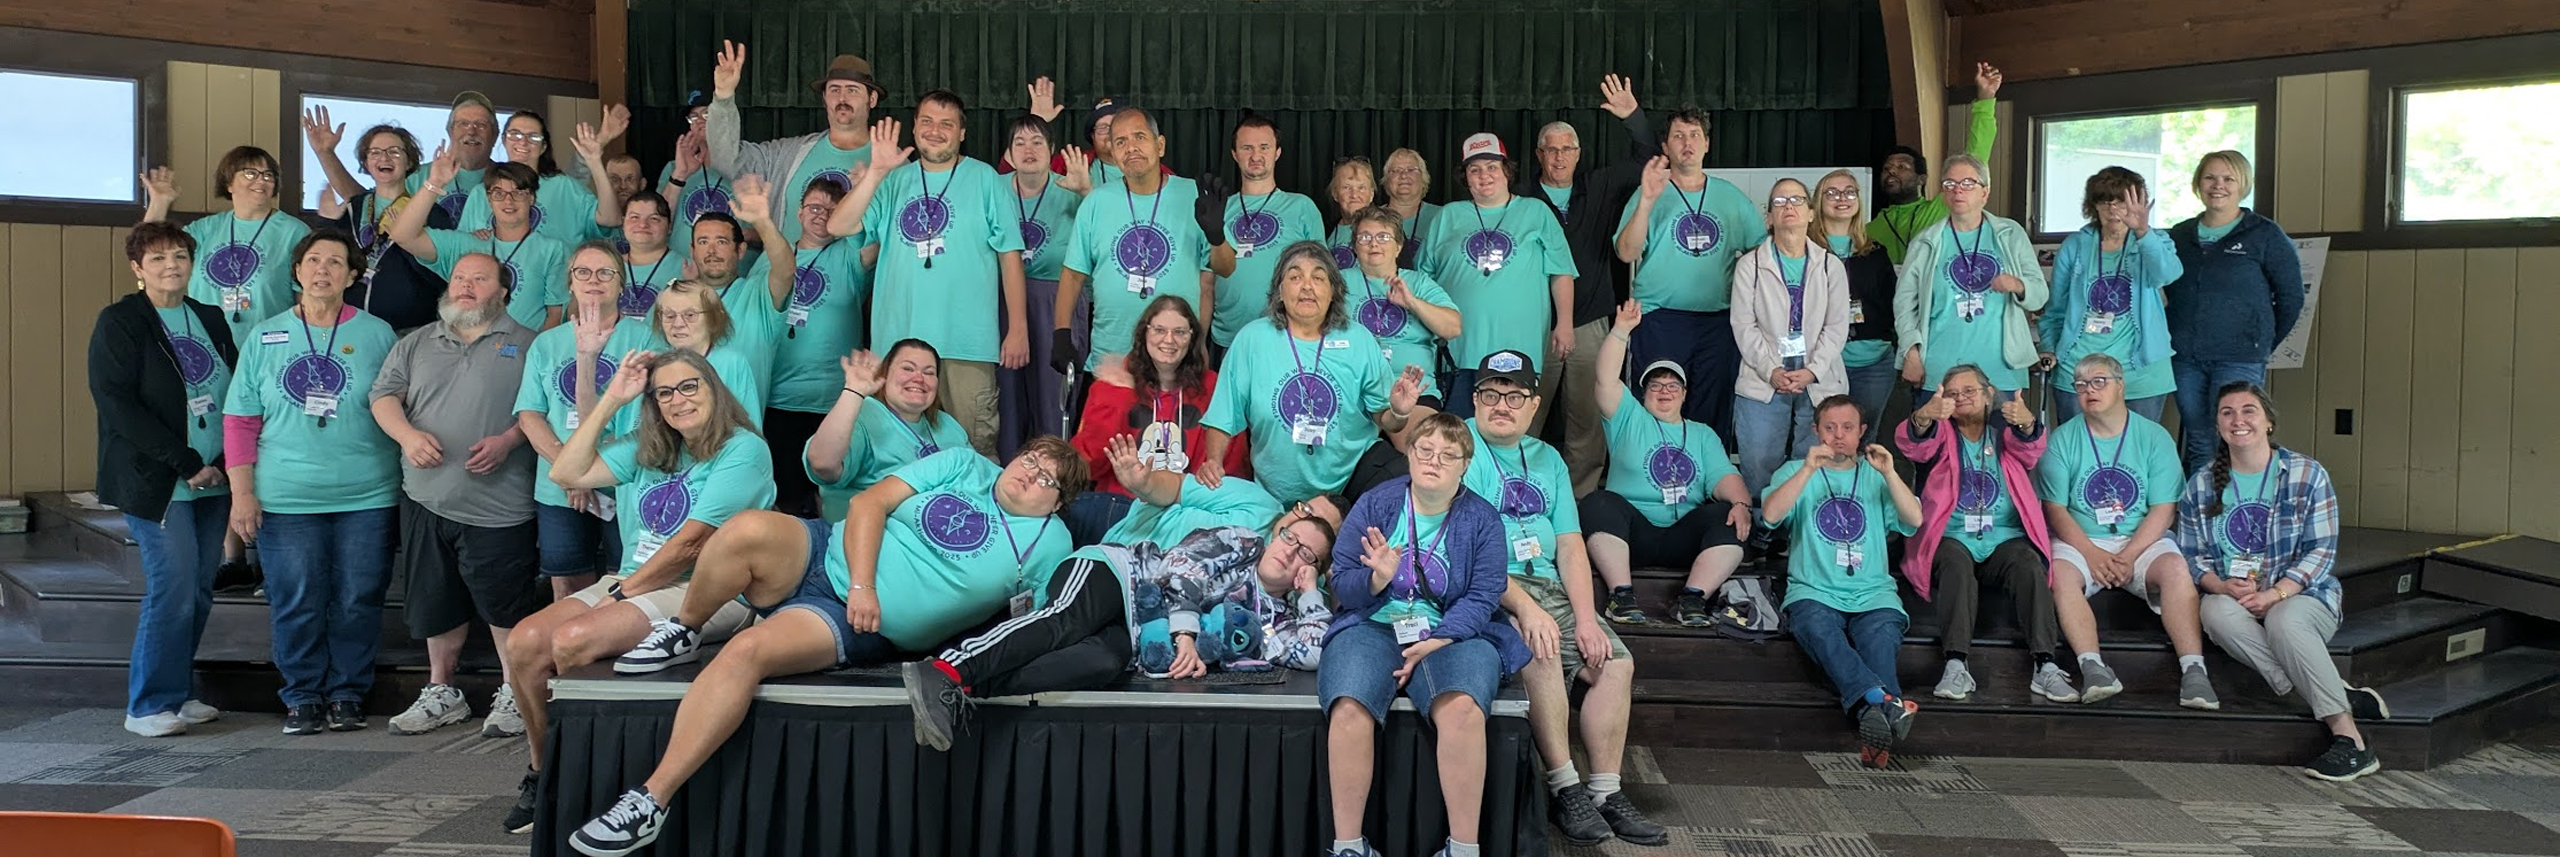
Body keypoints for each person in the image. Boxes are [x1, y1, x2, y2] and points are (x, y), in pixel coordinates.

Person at [571, 441, 1084, 856]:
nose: (1031, 473)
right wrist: (863, 582)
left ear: (1059, 502)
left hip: (850, 619)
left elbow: (1034, 623)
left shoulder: (1051, 542)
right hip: (826, 551)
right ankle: (687, 626)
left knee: (747, 651)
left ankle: (649, 801)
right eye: (1031, 459)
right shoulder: (963, 463)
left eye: (1048, 479)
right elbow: (868, 503)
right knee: (746, 526)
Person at [495, 347, 767, 834]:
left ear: (713, 389)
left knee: (572, 639)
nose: (678, 400)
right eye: (664, 392)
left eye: (689, 386)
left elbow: (690, 544)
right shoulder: (649, 443)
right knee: (524, 643)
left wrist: (618, 596)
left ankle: (591, 782)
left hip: (708, 591)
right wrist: (612, 400)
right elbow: (565, 473)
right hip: (634, 579)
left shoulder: (742, 447)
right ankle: (546, 773)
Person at [900, 454, 1345, 750]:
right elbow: (1182, 568)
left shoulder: (1279, 616)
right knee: (1065, 621)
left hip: (1132, 638)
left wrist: (1308, 596)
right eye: (1291, 535)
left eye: (1306, 553)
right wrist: (1186, 635)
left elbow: (1312, 652)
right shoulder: (1244, 540)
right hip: (1118, 571)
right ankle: (945, 668)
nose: (1289, 549)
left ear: (1313, 570)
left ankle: (964, 690)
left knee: (1098, 664)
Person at [1463, 352, 1665, 848]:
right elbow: (1463, 549)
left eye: (1514, 396)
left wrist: (1587, 618)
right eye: (1491, 394)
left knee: (1616, 664)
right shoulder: (1459, 447)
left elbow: (1571, 545)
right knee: (1544, 647)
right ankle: (1563, 785)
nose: (1501, 406)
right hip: (1489, 590)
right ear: (1475, 400)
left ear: (1534, 404)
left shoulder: (1548, 458)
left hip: (1547, 585)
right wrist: (1526, 608)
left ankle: (1605, 791)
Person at [1320, 414, 1529, 857]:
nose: (1434, 461)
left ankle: (1463, 849)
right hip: (1374, 623)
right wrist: (1376, 580)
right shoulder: (1376, 505)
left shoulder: (1483, 519)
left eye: (1448, 455)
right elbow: (1343, 582)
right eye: (1425, 450)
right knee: (1349, 706)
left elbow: (1485, 594)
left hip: (1452, 631)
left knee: (1463, 710)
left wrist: (1439, 639)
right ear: (1410, 454)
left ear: (1465, 465)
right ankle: (1349, 847)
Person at [220, 230, 400, 735]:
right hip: (286, 495)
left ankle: (347, 693)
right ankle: (302, 695)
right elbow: (240, 420)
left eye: (336, 262)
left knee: (358, 596)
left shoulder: (378, 333)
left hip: (368, 492)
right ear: (297, 271)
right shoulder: (264, 335)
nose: (324, 270)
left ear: (352, 274)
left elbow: (399, 403)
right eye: (314, 261)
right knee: (296, 597)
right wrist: (243, 493)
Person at [366, 253, 542, 737]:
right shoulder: (418, 341)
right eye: (459, 277)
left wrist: (509, 440)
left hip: (501, 503)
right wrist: (407, 436)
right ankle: (442, 691)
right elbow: (382, 397)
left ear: (503, 291)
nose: (466, 286)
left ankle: (513, 690)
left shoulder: (530, 344)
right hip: (426, 497)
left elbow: (543, 409)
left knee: (505, 605)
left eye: (479, 279)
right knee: (434, 600)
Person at [2177, 383, 2386, 782]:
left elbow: (2322, 552)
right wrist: (2220, 586)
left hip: (2306, 596)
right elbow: (2190, 556)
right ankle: (2323, 686)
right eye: (2227, 412)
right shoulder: (2202, 484)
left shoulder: (2306, 474)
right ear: (2218, 425)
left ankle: (2351, 741)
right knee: (2211, 610)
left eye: (2249, 410)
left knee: (2284, 621)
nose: (2238, 420)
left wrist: (2277, 593)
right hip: (2236, 598)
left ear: (2269, 421)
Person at [89, 222, 237, 737]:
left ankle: (178, 692)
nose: (170, 265)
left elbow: (232, 390)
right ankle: (147, 704)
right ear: (137, 268)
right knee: (171, 588)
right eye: (157, 259)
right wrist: (186, 461)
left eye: (179, 255)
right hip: (159, 479)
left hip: (214, 475)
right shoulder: (122, 321)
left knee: (197, 589)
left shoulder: (209, 316)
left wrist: (223, 459)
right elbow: (118, 406)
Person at [825, 105, 1030, 456]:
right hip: (896, 345)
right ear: (915, 129)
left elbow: (1009, 254)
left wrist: (1018, 327)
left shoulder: (984, 180)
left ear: (962, 132)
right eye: (927, 122)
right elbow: (838, 226)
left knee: (974, 448)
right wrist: (875, 172)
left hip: (966, 343)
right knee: (893, 451)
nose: (936, 131)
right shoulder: (893, 180)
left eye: (947, 124)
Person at [2035, 355, 2213, 708]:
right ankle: (2093, 667)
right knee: (2061, 577)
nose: (2089, 390)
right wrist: (2092, 553)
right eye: (2081, 384)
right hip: (2082, 540)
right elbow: (2054, 508)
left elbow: (2164, 508)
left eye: (2099, 381)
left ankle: (2195, 672)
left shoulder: (2152, 436)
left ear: (2121, 385)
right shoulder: (2062, 439)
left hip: (2141, 539)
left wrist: (2128, 556)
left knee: (2177, 571)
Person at [1200, 242, 1427, 505]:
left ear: (1333, 292)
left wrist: (1399, 411)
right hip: (1276, 491)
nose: (1307, 286)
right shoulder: (1252, 339)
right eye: (1295, 277)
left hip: (1352, 479)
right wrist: (1213, 462)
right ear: (1279, 291)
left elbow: (1387, 420)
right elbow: (1222, 417)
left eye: (1318, 278)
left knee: (1404, 486)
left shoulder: (1358, 339)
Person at [1761, 397, 1922, 768]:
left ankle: (1872, 712)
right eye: (1829, 428)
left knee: (1880, 639)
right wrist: (1806, 471)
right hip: (1814, 592)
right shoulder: (1794, 470)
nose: (1838, 436)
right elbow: (1769, 515)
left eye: (1847, 428)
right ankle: (1886, 703)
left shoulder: (1875, 472)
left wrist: (1890, 473)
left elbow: (1914, 519)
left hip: (1874, 594)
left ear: (1862, 432)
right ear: (1815, 431)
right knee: (1817, 628)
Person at [1896, 366, 2068, 702]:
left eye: (1969, 390)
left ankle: (2046, 665)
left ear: (1989, 394)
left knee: (2028, 564)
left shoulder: (2004, 435)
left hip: (2003, 537)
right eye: (1952, 393)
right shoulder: (1942, 433)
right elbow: (1915, 446)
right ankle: (1956, 665)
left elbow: (2031, 449)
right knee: (1955, 565)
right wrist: (1922, 416)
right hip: (1951, 536)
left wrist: (2027, 423)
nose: (1961, 398)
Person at [1585, 301, 1753, 626]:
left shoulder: (1702, 434)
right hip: (1631, 535)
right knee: (1598, 503)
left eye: (1673, 385)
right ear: (1644, 393)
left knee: (1729, 516)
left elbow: (1724, 476)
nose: (1665, 391)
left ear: (1685, 393)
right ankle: (1621, 596)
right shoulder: (1628, 419)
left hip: (1682, 533)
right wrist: (1621, 331)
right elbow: (1605, 379)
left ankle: (1692, 599)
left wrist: (1742, 503)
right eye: (1656, 385)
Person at [515, 243, 657, 599]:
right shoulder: (546, 344)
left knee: (628, 585)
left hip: (626, 484)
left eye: (605, 273)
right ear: (570, 284)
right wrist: (572, 471)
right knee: (567, 585)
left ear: (621, 285)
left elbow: (656, 415)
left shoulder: (647, 341)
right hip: (560, 490)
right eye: (583, 272)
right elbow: (530, 416)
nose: (594, 280)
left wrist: (596, 470)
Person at [1613, 107, 1765, 437]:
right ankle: (1654, 480)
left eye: (1695, 135)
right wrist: (1646, 203)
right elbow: (1626, 252)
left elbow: (1761, 255)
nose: (1687, 143)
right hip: (1659, 319)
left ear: (1707, 144)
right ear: (1665, 147)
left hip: (1718, 321)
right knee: (1658, 406)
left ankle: (1709, 486)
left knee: (1712, 409)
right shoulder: (1648, 192)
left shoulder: (1731, 198)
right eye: (1678, 136)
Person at [1055, 106, 1236, 376]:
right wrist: (1061, 332)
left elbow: (1225, 268)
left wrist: (1216, 236)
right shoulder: (1096, 201)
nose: (1131, 147)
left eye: (1139, 136)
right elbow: (1072, 275)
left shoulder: (1193, 195)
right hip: (1112, 362)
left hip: (1176, 358)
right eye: (1121, 142)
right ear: (1114, 154)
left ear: (1159, 145)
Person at [733, 174, 870, 518]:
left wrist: (872, 187)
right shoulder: (771, 257)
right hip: (779, 399)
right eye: (814, 206)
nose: (821, 214)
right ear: (798, 212)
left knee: (832, 500)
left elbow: (885, 240)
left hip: (833, 402)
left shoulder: (850, 253)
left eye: (831, 209)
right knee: (786, 500)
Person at [1065, 296, 1251, 544]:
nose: (1169, 340)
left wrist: (1211, 473)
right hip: (1121, 510)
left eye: (1180, 332)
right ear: (1144, 334)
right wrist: (1116, 395)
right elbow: (1087, 465)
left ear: (1192, 338)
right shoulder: (1114, 385)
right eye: (1160, 330)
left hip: (1183, 513)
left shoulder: (1213, 388)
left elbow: (1233, 470)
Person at [1419, 133, 1574, 424]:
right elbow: (1423, 279)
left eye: (1492, 167)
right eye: (1474, 169)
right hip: (1459, 352)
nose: (1484, 176)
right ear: (1465, 177)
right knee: (1459, 435)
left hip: (1519, 350)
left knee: (1508, 432)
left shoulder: (1535, 212)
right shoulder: (1448, 216)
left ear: (1507, 170)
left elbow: (1561, 272)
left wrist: (1564, 323)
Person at [2167, 151, 2302, 474]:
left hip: (2239, 357)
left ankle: (2240, 512)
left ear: (2243, 185)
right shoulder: (2179, 236)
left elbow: (2291, 297)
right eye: (2210, 177)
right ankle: (2205, 516)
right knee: (2200, 440)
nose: (2218, 186)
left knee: (2236, 438)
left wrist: (2261, 340)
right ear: (2198, 183)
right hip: (2185, 357)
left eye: (2229, 179)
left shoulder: (2265, 235)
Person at [1892, 154, 2046, 407]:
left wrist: (2018, 286)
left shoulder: (2010, 234)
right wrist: (1910, 353)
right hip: (1939, 371)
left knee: (2002, 446)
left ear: (1985, 192)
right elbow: (1904, 305)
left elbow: (2040, 295)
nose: (1957, 191)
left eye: (1967, 183)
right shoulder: (1925, 240)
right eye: (1949, 184)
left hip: (2001, 372)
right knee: (1938, 446)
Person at [1731, 178, 1851, 497]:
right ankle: (1762, 532)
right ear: (1768, 217)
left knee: (1814, 459)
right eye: (1780, 202)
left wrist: (1814, 370)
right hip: (1764, 379)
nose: (1789, 207)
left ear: (1811, 213)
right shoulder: (1750, 265)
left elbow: (1837, 326)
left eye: (1796, 200)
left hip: (1819, 380)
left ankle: (1803, 532)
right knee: (1758, 460)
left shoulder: (1830, 266)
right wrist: (1770, 369)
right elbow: (1743, 324)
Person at [2040, 168, 2181, 424]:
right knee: (2078, 453)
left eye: (2122, 201)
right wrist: (2050, 347)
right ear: (2093, 206)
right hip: (2079, 370)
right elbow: (2056, 309)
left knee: (2137, 455)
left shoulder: (2155, 240)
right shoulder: (2075, 246)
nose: (2113, 209)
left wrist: (2143, 232)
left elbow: (2167, 274)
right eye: (2105, 201)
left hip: (2141, 372)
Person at [706, 41, 878, 246]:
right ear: (824, 98)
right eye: (834, 90)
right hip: (786, 274)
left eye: (852, 90)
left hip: (853, 275)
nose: (842, 98)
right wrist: (723, 99)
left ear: (872, 99)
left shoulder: (891, 163)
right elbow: (729, 160)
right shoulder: (789, 154)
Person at [141, 148, 314, 345]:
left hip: (270, 348)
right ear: (229, 182)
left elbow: (307, 299)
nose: (261, 180)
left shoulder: (294, 232)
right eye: (250, 173)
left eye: (268, 175)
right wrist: (159, 203)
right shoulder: (205, 229)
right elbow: (149, 253)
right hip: (207, 345)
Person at [388, 151, 573, 331]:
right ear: (489, 199)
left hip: (520, 354)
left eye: (518, 193)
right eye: (498, 193)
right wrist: (434, 182)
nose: (508, 201)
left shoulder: (552, 249)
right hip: (466, 352)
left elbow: (555, 314)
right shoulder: (466, 245)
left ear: (531, 198)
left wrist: (533, 356)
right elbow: (403, 235)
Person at [996, 112, 1091, 455]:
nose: (1029, 149)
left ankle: (1055, 473)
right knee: (1008, 397)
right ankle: (1008, 474)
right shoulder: (994, 189)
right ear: (1008, 153)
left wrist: (1087, 193)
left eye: (1037, 142)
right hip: (1005, 300)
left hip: (1057, 297)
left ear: (1051, 149)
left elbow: (1102, 231)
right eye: (1019, 142)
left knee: (1054, 396)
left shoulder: (1070, 186)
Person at [302, 117, 448, 330]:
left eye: (394, 152)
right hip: (352, 326)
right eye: (375, 152)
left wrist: (409, 241)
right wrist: (326, 222)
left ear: (409, 161)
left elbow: (441, 276)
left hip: (409, 330)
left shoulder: (431, 213)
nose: (384, 158)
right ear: (366, 162)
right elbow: (328, 263)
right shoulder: (353, 208)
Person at [805, 340, 971, 523]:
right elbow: (822, 464)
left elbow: (977, 477)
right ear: (885, 375)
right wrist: (854, 390)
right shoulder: (863, 415)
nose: (919, 378)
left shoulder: (947, 424)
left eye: (929, 372)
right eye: (908, 369)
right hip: (877, 538)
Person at [1210, 115, 1327, 351]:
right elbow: (1205, 279)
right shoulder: (1219, 208)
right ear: (1234, 154)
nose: (1255, 156)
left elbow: (1321, 277)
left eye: (1264, 147)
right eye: (1247, 148)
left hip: (1289, 336)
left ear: (1277, 152)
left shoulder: (1302, 207)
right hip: (1229, 338)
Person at [1869, 62, 2003, 264]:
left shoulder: (1941, 207)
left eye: (1902, 167)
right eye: (1887, 169)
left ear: (1921, 179)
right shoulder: (1870, 227)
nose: (1892, 172)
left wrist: (1985, 99)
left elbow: (1975, 158)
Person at [1343, 206, 1462, 416]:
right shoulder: (1336, 282)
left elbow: (1452, 328)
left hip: (1411, 388)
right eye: (1364, 237)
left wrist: (1412, 302)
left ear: (1398, 247)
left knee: (1426, 446)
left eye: (1383, 237)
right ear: (1354, 246)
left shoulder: (1418, 283)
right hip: (1352, 388)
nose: (1373, 243)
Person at [1814, 170, 1900, 445]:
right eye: (1832, 193)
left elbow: (1893, 304)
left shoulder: (1876, 252)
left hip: (1873, 362)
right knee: (1820, 440)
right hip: (1823, 362)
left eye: (1850, 192)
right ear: (1818, 201)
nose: (1842, 198)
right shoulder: (1806, 250)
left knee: (1863, 439)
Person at [454, 111, 629, 245]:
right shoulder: (481, 192)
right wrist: (472, 239)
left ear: (543, 147)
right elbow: (460, 247)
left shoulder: (563, 186)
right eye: (515, 134)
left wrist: (595, 162)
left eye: (533, 137)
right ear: (504, 140)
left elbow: (611, 219)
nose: (522, 142)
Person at [673, 213, 780, 387]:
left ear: (741, 250)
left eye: (721, 242)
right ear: (692, 250)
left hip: (739, 413)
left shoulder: (758, 292)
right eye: (703, 242)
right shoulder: (674, 299)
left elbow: (786, 271)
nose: (711, 251)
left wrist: (763, 221)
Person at [651, 280, 769, 421]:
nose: (678, 324)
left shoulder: (732, 363)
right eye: (669, 316)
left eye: (690, 315)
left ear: (713, 318)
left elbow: (750, 426)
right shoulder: (655, 364)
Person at [659, 91, 734, 256]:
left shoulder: (750, 162)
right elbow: (658, 221)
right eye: (693, 117)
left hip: (734, 271)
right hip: (683, 268)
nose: (700, 121)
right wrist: (680, 175)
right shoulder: (674, 168)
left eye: (707, 114)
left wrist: (740, 235)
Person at [616, 191, 685, 319]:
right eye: (635, 217)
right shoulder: (607, 266)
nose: (642, 224)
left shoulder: (687, 268)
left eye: (654, 219)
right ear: (623, 223)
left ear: (669, 227)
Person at [1380, 148, 1440, 270]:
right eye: (1396, 171)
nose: (1403, 175)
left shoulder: (1442, 216)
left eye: (1411, 170)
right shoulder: (1372, 218)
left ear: (1423, 178)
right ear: (1386, 180)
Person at [1324, 156, 1379, 270]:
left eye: (1361, 188)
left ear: (1371, 194)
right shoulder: (1324, 229)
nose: (1354, 195)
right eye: (1347, 187)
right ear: (1335, 194)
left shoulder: (1388, 228)